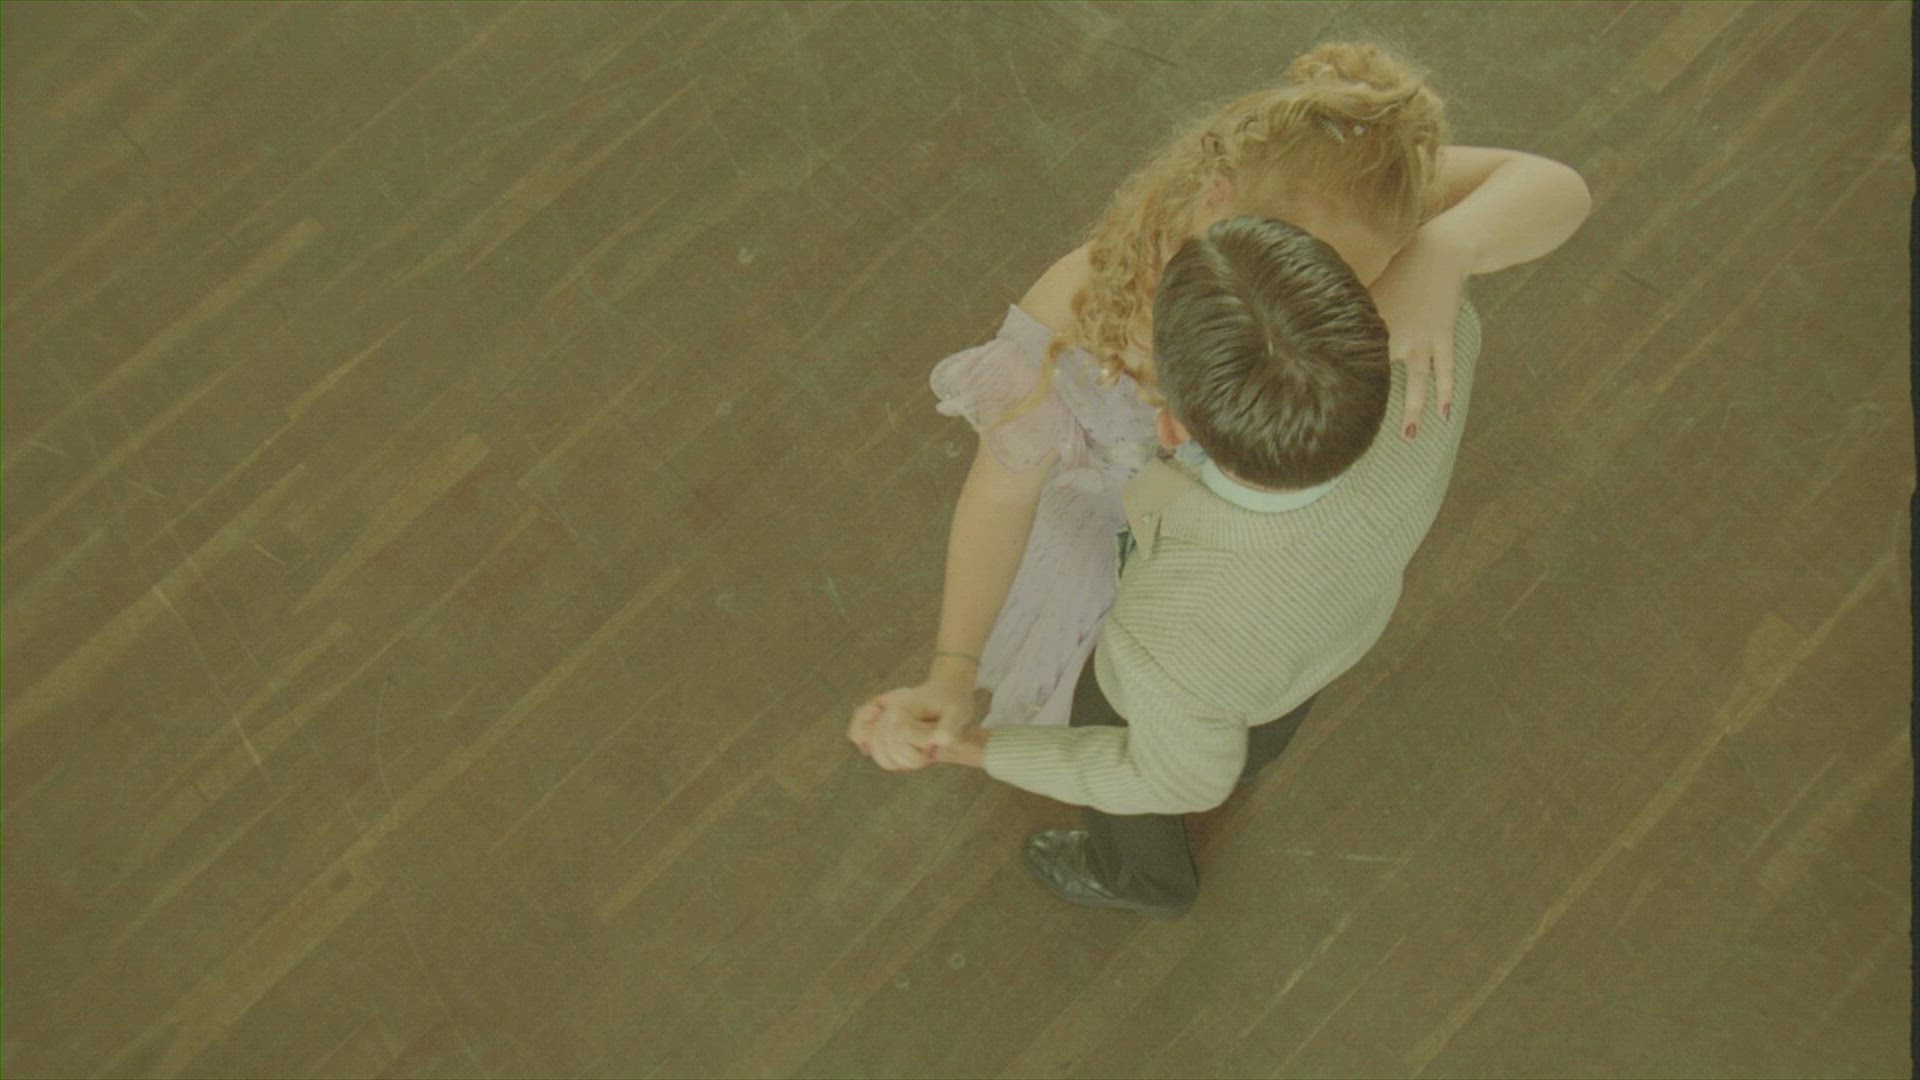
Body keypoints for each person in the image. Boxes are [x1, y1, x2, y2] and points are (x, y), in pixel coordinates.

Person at [851, 40, 1590, 755]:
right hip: (1120, 553)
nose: (1310, 303)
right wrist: (953, 670)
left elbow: (1556, 188)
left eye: (1349, 281)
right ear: (1215, 199)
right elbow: (1000, 498)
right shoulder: (1071, 318)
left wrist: (1442, 250)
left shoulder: (1358, 198)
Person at [857, 212, 1484, 916]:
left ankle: (1143, 881)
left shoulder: (1164, 646)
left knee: (1165, 763)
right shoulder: (1442, 331)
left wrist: (974, 749)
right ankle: (1253, 754)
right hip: (1332, 627)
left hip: (1192, 683)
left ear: (1170, 425)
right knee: (1259, 726)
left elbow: (1175, 782)